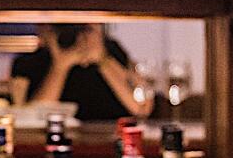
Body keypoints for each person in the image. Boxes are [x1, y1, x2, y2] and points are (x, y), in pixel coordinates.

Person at [10, 24, 154, 121]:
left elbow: (140, 109)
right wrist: (60, 67)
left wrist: (103, 61)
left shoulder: (111, 53)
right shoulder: (29, 62)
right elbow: (34, 117)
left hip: (112, 139)